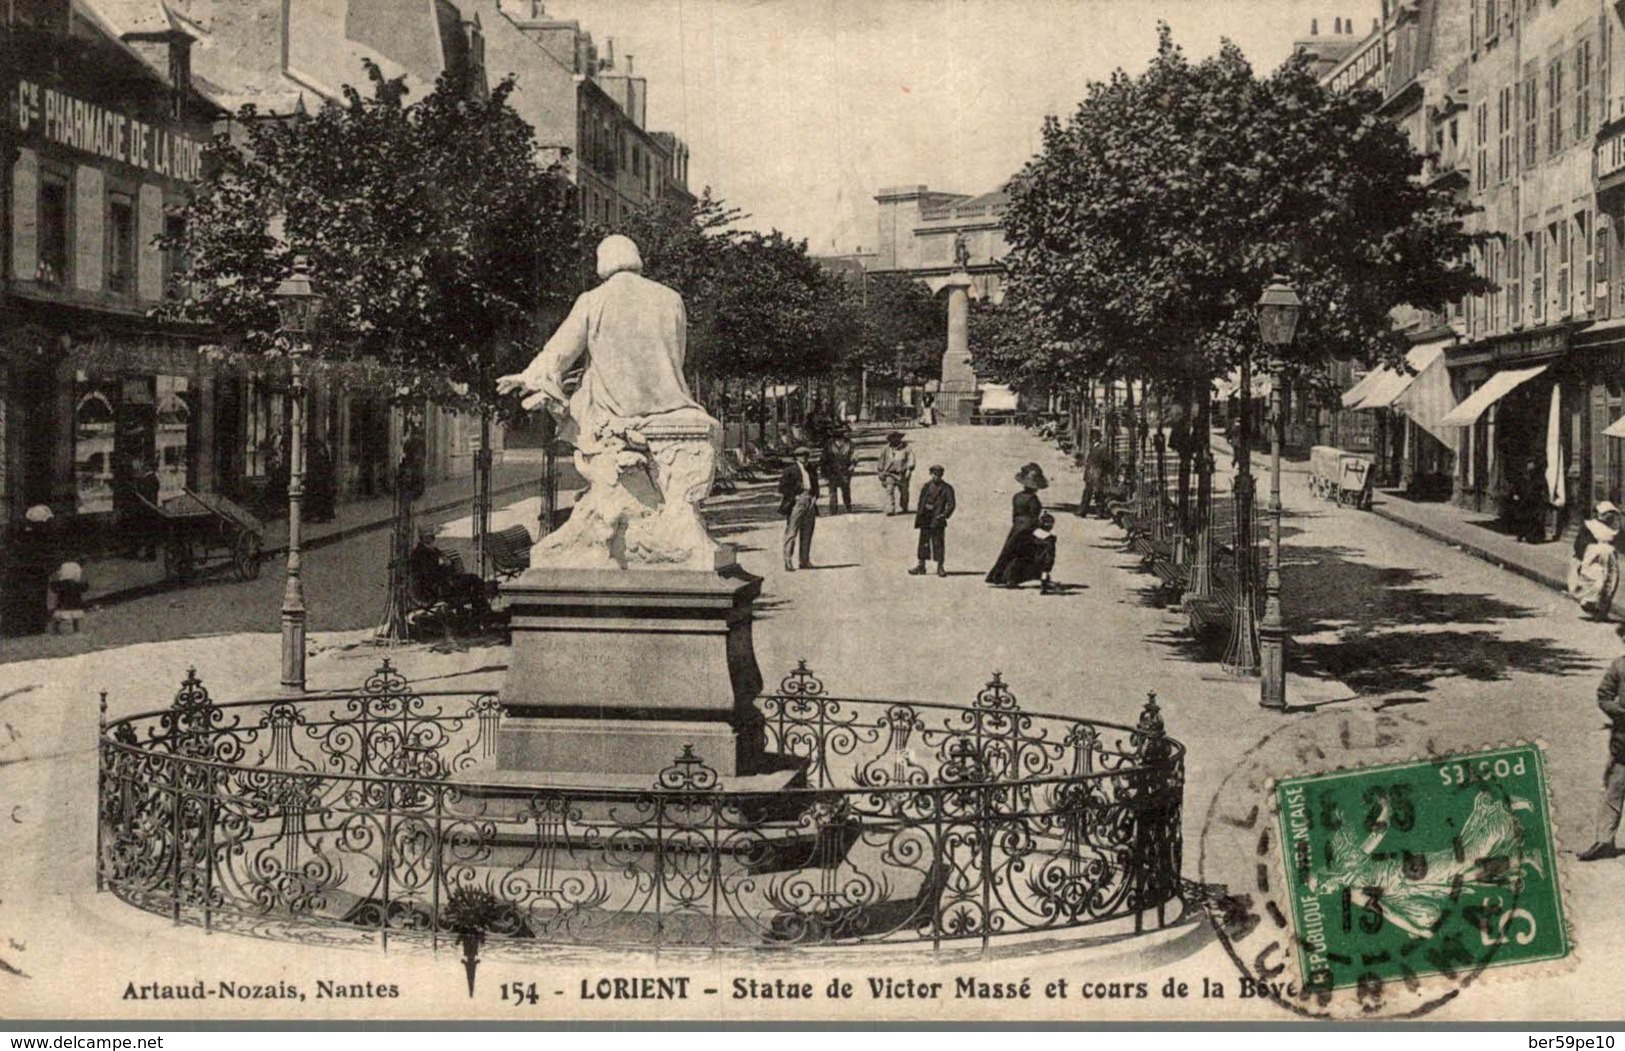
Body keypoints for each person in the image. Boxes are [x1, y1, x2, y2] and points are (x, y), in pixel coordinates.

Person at [1578, 633, 1625, 862]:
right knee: (1613, 789)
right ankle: (1605, 841)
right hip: (1623, 741)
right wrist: (1620, 713)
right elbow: (1604, 695)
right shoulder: (1619, 666)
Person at [987, 462, 1058, 594]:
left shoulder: (1017, 497)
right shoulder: (1033, 500)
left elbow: (1015, 515)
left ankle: (1009, 578)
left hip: (1017, 528)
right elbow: (1034, 517)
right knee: (1047, 544)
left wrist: (1018, 525)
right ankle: (1044, 575)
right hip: (1029, 529)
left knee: (1014, 553)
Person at [408, 528, 489, 617]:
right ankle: (480, 613)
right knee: (471, 582)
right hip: (434, 587)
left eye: (432, 536)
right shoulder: (419, 553)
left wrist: (448, 564)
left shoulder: (432, 550)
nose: (432, 538)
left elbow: (443, 563)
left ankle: (480, 612)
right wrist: (445, 566)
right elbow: (428, 574)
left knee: (474, 580)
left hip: (444, 581)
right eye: (428, 536)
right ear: (422, 538)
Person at [1569, 502, 1623, 620]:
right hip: (1593, 558)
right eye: (1605, 514)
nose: (1608, 517)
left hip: (1609, 558)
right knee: (1597, 580)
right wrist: (1583, 555)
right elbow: (1580, 544)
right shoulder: (1590, 526)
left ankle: (1602, 610)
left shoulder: (1615, 528)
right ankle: (1588, 602)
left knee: (1610, 581)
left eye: (1611, 514)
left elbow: (1621, 544)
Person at [909, 465, 956, 577]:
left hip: (937, 518)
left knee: (938, 542)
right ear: (931, 474)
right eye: (934, 474)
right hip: (925, 517)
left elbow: (951, 504)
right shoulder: (926, 486)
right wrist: (920, 513)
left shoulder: (947, 488)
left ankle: (940, 567)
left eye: (938, 475)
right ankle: (921, 565)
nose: (936, 477)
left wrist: (944, 515)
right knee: (923, 542)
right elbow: (921, 501)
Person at [778, 446, 819, 571]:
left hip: (810, 501)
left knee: (807, 532)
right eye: (801, 456)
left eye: (806, 456)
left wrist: (814, 497)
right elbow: (782, 488)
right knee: (791, 532)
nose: (804, 458)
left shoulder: (811, 469)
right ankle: (788, 561)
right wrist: (794, 497)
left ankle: (804, 561)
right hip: (797, 502)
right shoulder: (790, 470)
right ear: (796, 457)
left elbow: (816, 485)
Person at [878, 431, 915, 516]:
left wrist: (909, 469)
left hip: (902, 473)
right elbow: (881, 461)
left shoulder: (906, 447)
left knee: (904, 491)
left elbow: (911, 458)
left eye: (896, 437)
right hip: (889, 473)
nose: (894, 440)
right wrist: (880, 472)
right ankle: (891, 509)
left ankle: (904, 506)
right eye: (892, 438)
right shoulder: (886, 448)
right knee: (889, 490)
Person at [1079, 429, 1114, 519]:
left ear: (1099, 437)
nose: (1093, 438)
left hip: (1097, 474)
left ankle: (1099, 513)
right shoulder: (1093, 446)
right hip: (1091, 474)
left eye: (1095, 437)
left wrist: (1105, 474)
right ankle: (1082, 511)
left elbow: (1106, 462)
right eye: (1092, 437)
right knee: (1087, 493)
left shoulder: (1102, 448)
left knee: (1098, 494)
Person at [1513, 458, 1548, 543]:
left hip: (1534, 502)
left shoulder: (1538, 477)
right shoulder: (1522, 476)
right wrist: (1515, 494)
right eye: (1529, 463)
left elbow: (1542, 487)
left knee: (1534, 519)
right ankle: (1521, 534)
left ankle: (1534, 537)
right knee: (1523, 518)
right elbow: (1517, 486)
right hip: (1523, 501)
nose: (1531, 465)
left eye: (1532, 463)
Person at [822, 426, 855, 515]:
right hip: (832, 471)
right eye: (837, 434)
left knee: (846, 490)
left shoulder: (849, 443)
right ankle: (833, 510)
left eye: (840, 434)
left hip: (845, 470)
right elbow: (824, 459)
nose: (839, 436)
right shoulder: (829, 444)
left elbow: (854, 455)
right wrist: (824, 472)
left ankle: (848, 506)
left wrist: (852, 465)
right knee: (832, 491)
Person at [49, 560, 87, 634]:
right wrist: (85, 582)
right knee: (75, 617)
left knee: (60, 617)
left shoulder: (62, 584)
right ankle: (76, 629)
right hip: (75, 603)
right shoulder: (76, 584)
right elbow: (84, 588)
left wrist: (52, 581)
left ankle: (56, 628)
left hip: (63, 603)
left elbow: (54, 588)